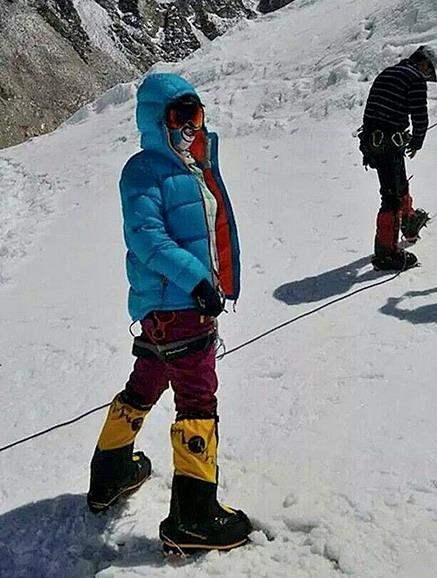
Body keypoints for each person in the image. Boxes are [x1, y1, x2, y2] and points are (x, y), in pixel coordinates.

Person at [87, 73, 252, 553]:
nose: (189, 126)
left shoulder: (189, 167)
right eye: (180, 115)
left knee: (145, 383)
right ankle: (193, 519)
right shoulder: (143, 171)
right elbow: (147, 239)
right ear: (156, 119)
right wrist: (198, 281)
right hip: (178, 306)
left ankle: (111, 473)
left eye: (195, 115)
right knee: (197, 400)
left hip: (168, 309)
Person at [359, 45, 437, 271]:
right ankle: (386, 254)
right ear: (423, 63)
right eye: (429, 70)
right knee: (391, 197)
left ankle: (408, 222)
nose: (427, 75)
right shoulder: (415, 78)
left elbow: (372, 110)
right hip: (388, 143)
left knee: (399, 185)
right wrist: (417, 142)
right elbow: (420, 117)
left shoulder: (389, 72)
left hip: (373, 141)